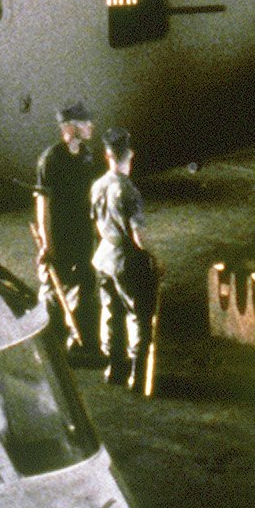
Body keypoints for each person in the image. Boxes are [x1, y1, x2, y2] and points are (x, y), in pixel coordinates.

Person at [91, 128, 158, 391]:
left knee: (111, 314)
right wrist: (153, 257)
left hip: (104, 257)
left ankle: (114, 369)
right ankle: (138, 377)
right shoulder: (128, 190)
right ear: (129, 154)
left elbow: (98, 224)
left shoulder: (97, 186)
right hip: (126, 260)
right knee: (139, 315)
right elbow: (138, 237)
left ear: (107, 155)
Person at [32, 101, 99, 355]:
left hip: (82, 232)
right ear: (69, 127)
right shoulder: (51, 159)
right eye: (85, 122)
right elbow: (43, 202)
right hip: (60, 235)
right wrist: (47, 244)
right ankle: (50, 346)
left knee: (85, 283)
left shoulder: (86, 155)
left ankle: (83, 345)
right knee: (53, 289)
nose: (90, 126)